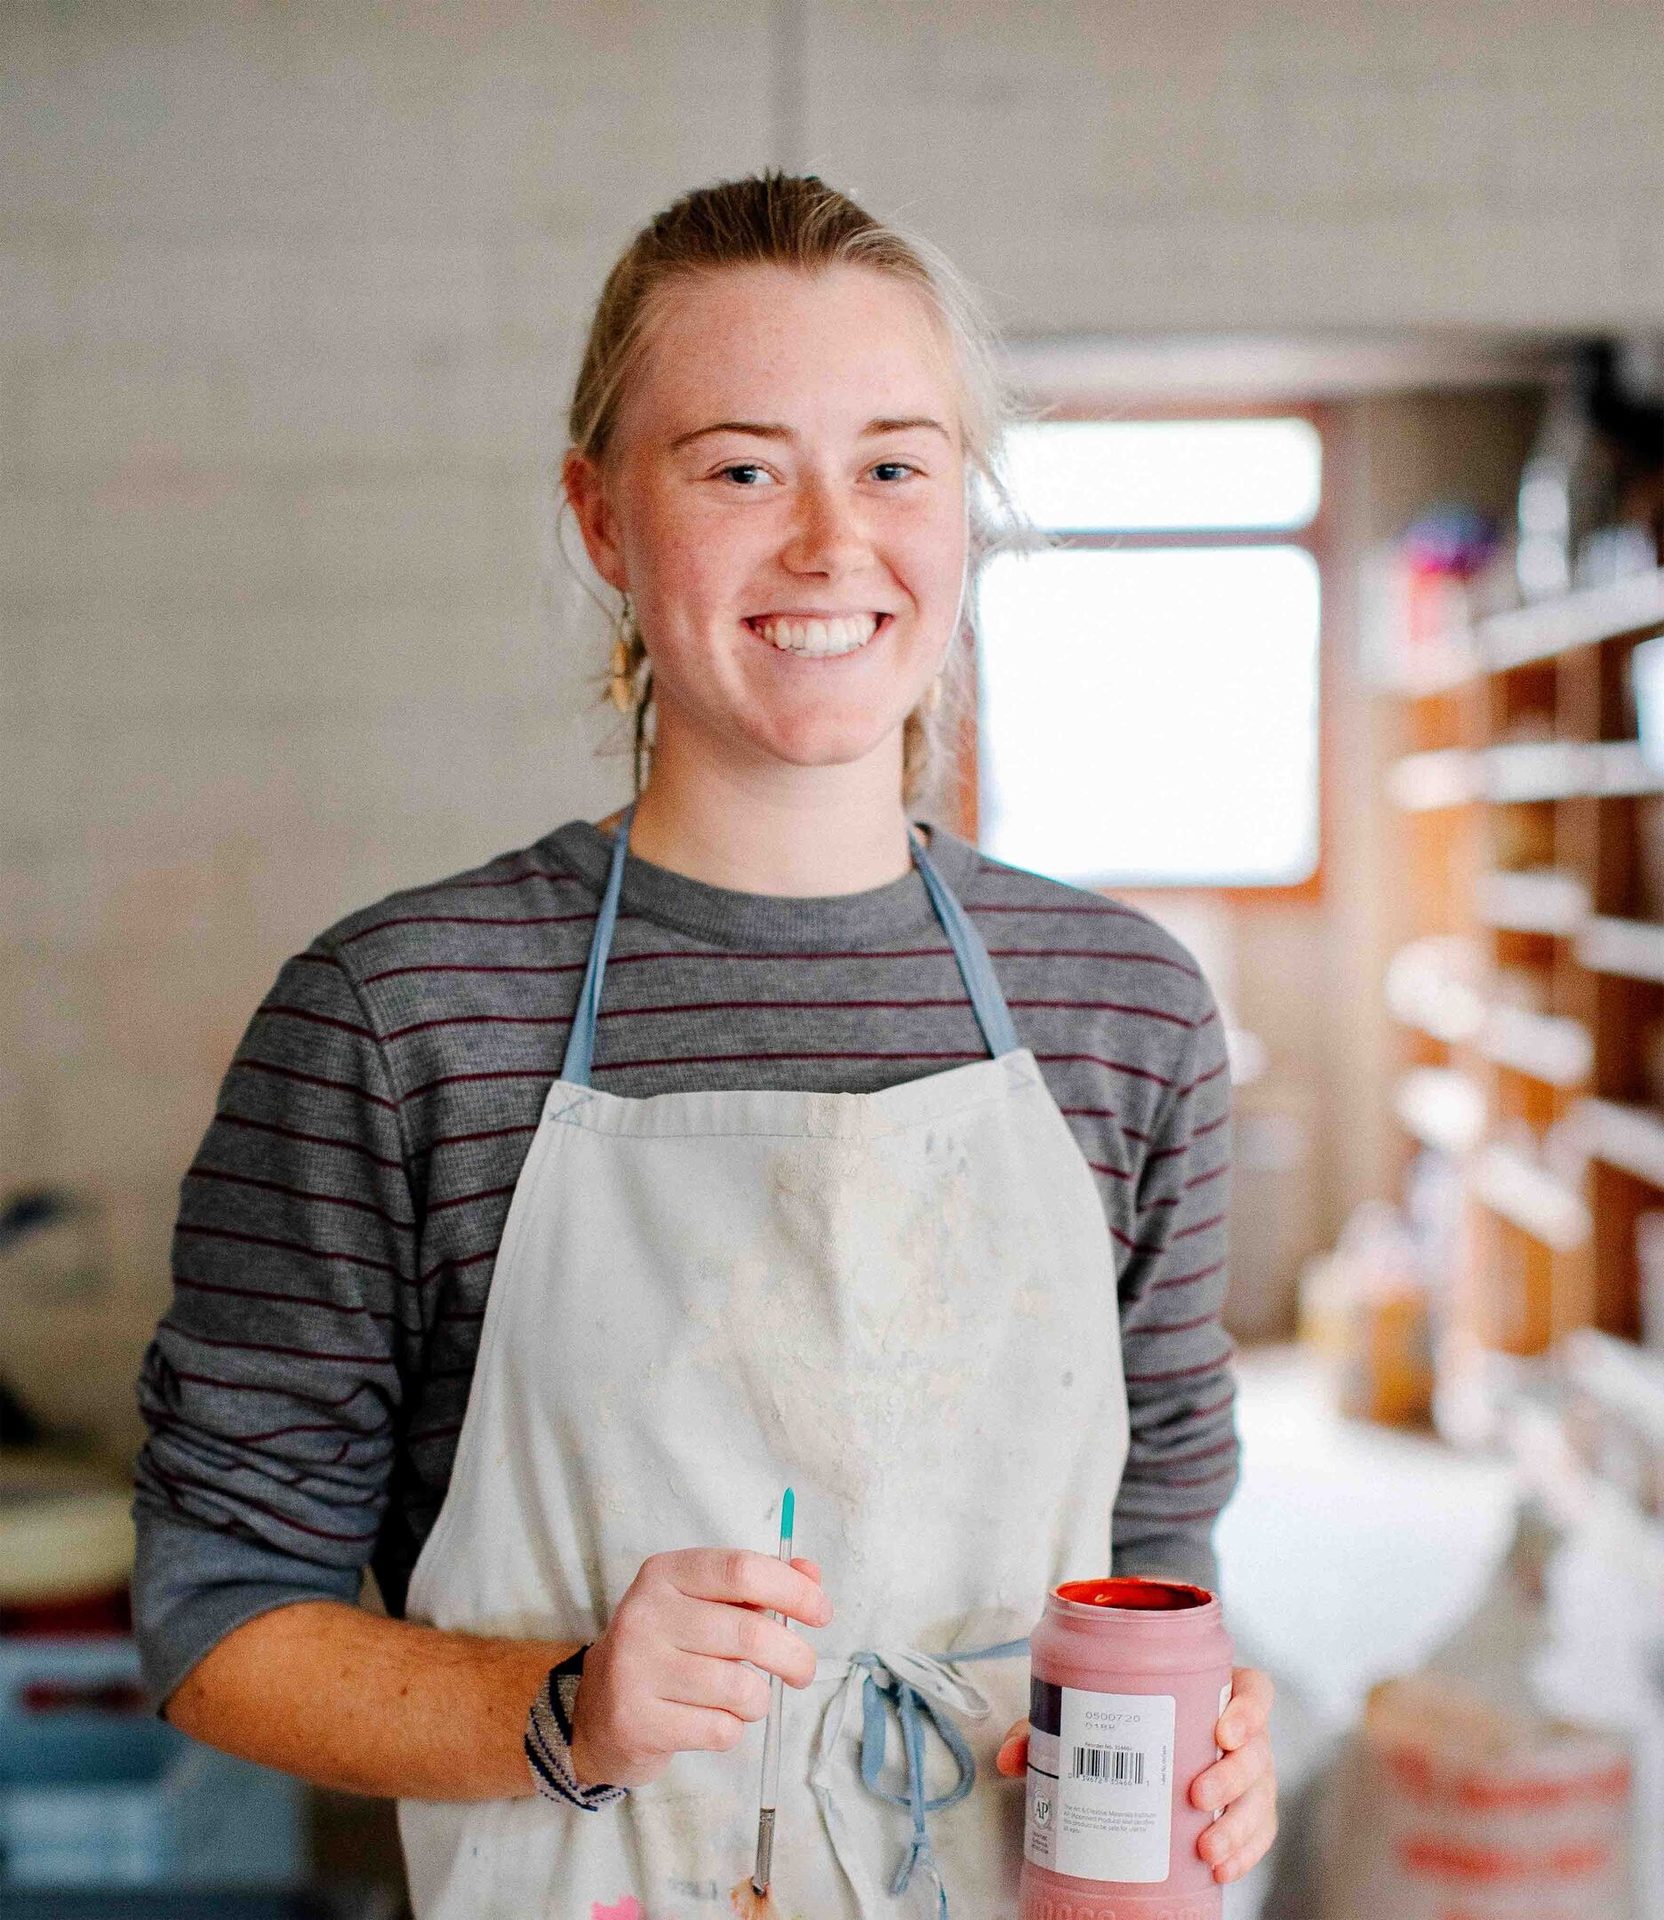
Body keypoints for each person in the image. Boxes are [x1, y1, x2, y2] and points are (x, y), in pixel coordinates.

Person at [132, 171, 1276, 1918]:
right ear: (601, 519)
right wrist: (564, 1706)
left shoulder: (1122, 1008)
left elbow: (1156, 1551)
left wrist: (1201, 1742)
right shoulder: (400, 1017)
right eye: (740, 467)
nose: (830, 543)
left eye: (894, 463)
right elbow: (219, 1612)